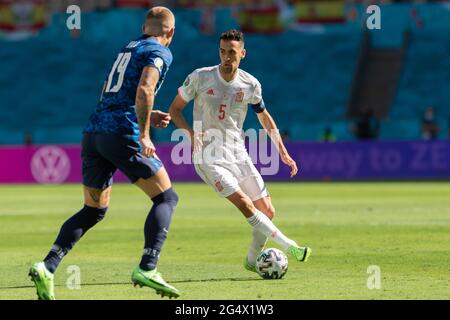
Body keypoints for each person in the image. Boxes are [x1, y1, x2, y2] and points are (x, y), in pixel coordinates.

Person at [29, 7, 180, 300]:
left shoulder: (127, 48)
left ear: (144, 26)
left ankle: (47, 266)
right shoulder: (160, 51)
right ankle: (148, 267)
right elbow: (145, 90)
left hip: (94, 132)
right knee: (166, 197)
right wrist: (145, 133)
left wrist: (148, 115)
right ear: (170, 32)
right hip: (122, 132)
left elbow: (111, 90)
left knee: (93, 210)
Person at [169, 30, 311, 274]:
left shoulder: (250, 84)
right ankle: (290, 246)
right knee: (246, 205)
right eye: (222, 52)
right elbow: (174, 110)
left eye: (232, 52)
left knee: (267, 211)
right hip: (208, 157)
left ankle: (251, 259)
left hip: (237, 153)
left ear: (242, 54)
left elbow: (264, 117)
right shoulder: (200, 77)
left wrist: (282, 151)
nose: (226, 57)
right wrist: (191, 135)